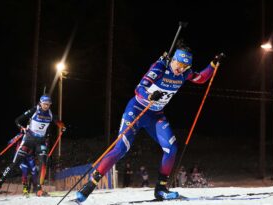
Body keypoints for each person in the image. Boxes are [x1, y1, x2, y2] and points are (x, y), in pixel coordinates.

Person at [76, 43, 223, 202]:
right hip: (137, 110)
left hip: (156, 115)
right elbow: (139, 88)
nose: (180, 69)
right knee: (121, 148)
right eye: (179, 64)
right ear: (173, 59)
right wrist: (149, 96)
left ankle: (160, 189)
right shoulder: (160, 67)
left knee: (171, 149)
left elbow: (201, 78)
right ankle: (90, 184)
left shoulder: (184, 73)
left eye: (185, 66)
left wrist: (213, 64)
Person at [0, 94, 66, 196]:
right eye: (44, 104)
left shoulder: (51, 114)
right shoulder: (34, 110)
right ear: (40, 103)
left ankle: (39, 189)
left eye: (48, 104)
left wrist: (62, 127)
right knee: (16, 163)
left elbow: (58, 122)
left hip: (41, 141)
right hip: (29, 140)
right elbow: (17, 120)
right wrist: (22, 128)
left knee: (44, 162)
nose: (46, 106)